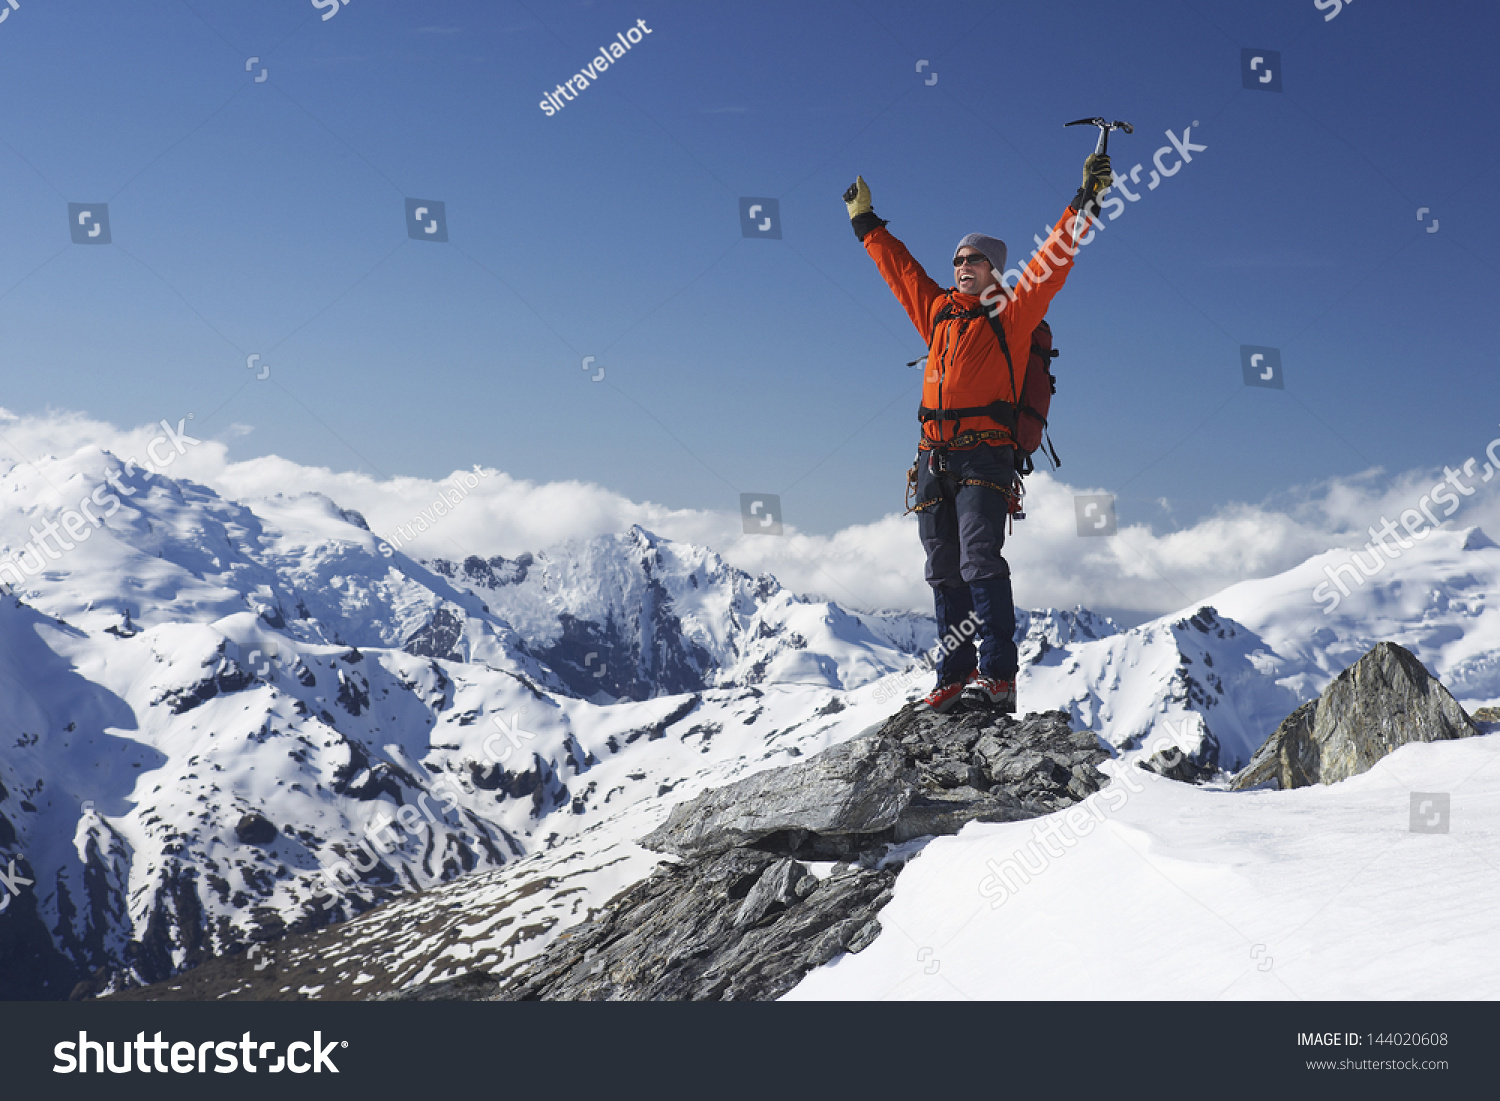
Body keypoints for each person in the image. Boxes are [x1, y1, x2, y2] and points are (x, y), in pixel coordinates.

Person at [844, 151, 1112, 714]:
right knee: (943, 569)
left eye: (974, 259)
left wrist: (1084, 202)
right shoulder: (939, 312)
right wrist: (867, 224)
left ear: (994, 269)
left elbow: (1053, 261)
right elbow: (902, 272)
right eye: (959, 258)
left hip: (984, 459)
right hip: (932, 460)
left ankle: (998, 677)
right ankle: (953, 675)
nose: (962, 264)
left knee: (980, 561)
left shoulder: (1009, 316)